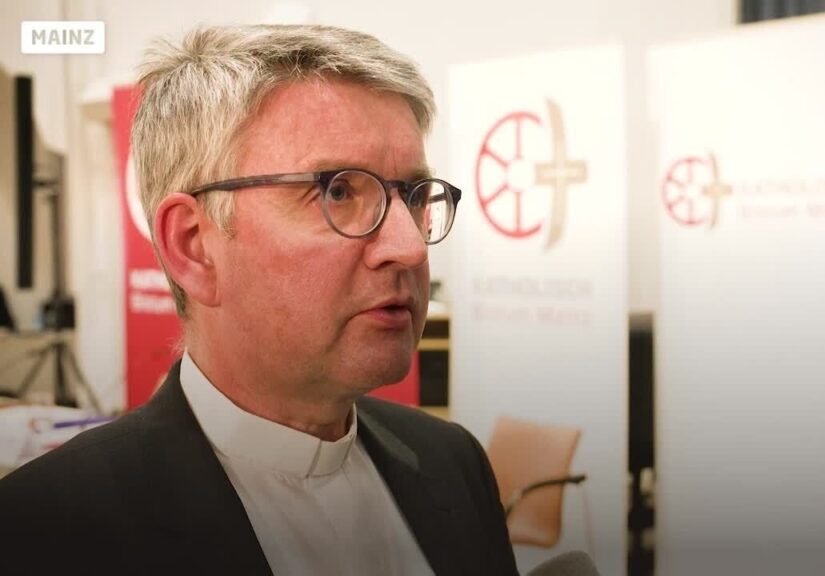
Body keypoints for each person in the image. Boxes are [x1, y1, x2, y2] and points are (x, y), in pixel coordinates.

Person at [0, 25, 518, 575]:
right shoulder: (45, 531)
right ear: (194, 247)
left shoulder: (453, 462)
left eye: (414, 196)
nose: (409, 247)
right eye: (338, 191)